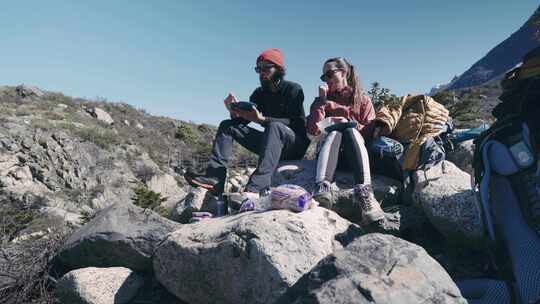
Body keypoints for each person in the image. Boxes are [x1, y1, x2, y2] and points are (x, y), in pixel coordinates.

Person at [185, 48, 310, 205]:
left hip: (293, 145)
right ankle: (215, 178)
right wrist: (234, 111)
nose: (261, 72)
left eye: (266, 67)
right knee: (227, 125)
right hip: (270, 144)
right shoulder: (259, 93)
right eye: (258, 69)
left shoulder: (293, 89)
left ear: (278, 69)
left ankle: (255, 189)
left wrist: (263, 120)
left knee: (274, 126)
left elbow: (297, 122)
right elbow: (241, 123)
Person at [306, 57, 384, 225]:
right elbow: (313, 131)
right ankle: (322, 188)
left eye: (329, 74)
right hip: (330, 158)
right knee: (335, 132)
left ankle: (365, 193)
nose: (326, 80)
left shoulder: (362, 99)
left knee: (348, 129)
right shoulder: (321, 100)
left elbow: (370, 131)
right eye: (323, 77)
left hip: (356, 157)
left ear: (343, 73)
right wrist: (322, 102)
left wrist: (349, 123)